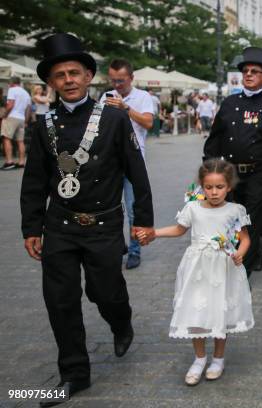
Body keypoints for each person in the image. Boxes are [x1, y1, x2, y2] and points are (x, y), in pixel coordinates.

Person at [20, 33, 154, 407]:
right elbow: (34, 181)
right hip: (59, 226)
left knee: (105, 291)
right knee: (59, 300)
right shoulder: (43, 124)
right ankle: (73, 374)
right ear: (51, 82)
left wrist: (143, 222)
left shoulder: (113, 118)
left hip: (103, 226)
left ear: (89, 75)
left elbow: (137, 173)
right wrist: (31, 227)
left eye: (74, 72)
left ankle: (121, 320)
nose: (68, 80)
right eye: (60, 75)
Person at [137, 159, 254, 385]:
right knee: (195, 310)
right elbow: (179, 229)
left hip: (224, 267)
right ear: (202, 186)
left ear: (229, 187)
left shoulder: (236, 210)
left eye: (219, 187)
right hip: (197, 268)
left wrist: (241, 252)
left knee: (221, 309)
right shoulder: (193, 208)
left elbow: (245, 238)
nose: (214, 192)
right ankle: (199, 359)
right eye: (209, 187)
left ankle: (218, 358)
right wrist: (155, 233)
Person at [203, 46, 262, 276]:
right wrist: (209, 173)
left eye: (254, 71)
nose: (249, 74)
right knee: (231, 222)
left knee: (248, 224)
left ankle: (243, 274)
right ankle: (245, 257)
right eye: (245, 71)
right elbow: (214, 141)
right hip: (231, 176)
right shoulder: (230, 103)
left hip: (261, 176)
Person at [101, 59, 155, 269]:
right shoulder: (105, 96)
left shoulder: (142, 97)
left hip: (134, 160)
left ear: (131, 78)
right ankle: (117, 245)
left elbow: (148, 123)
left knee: (133, 209)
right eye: (113, 80)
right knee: (109, 207)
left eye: (121, 81)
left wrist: (125, 108)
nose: (117, 85)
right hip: (109, 160)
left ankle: (134, 250)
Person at [1, 76, 31, 170]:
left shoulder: (12, 90)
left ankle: (9, 162)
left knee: (6, 138)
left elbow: (10, 104)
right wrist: (26, 121)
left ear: (11, 83)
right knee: (20, 141)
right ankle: (21, 162)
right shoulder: (26, 93)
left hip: (12, 116)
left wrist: (4, 115)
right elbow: (28, 109)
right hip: (21, 118)